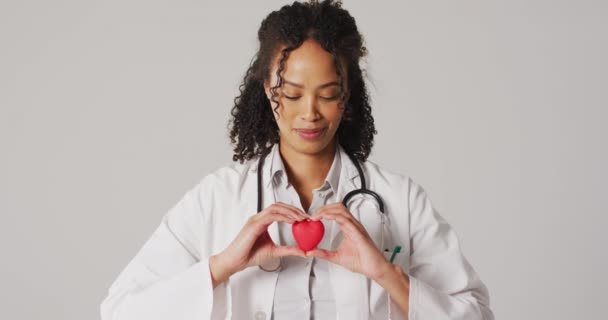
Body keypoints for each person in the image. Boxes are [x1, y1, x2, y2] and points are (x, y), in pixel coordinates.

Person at [100, 0, 494, 319]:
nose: (310, 113)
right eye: (291, 94)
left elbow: (476, 314)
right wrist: (221, 266)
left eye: (327, 94)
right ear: (267, 88)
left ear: (348, 94)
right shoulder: (215, 200)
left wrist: (386, 274)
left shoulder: (400, 201)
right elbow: (119, 310)